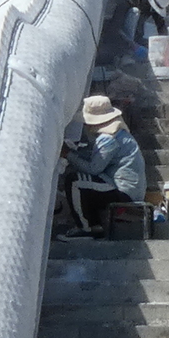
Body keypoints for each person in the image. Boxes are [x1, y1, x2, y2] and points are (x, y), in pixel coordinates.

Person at [66, 94, 146, 234]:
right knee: (88, 182)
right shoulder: (119, 134)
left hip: (123, 192)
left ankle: (86, 228)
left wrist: (67, 154)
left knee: (74, 181)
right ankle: (95, 224)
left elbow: (93, 169)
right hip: (129, 189)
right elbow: (96, 157)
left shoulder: (108, 138)